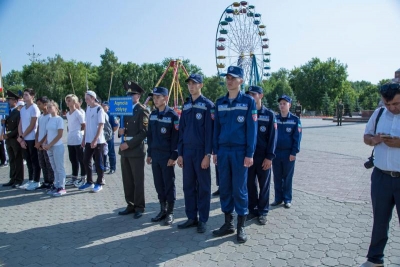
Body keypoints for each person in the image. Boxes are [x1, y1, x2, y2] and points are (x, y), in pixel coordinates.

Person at [212, 66, 257, 243]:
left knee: (239, 189)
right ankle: (228, 223)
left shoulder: (248, 102)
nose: (229, 80)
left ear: (241, 81)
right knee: (225, 188)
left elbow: (252, 131)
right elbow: (216, 129)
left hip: (240, 152)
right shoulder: (220, 102)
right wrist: (215, 150)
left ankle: (241, 227)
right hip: (223, 151)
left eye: (233, 78)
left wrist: (250, 153)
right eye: (227, 78)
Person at [361, 82, 400, 267]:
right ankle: (375, 259)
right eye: (388, 104)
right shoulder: (379, 114)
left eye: (396, 104)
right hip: (381, 177)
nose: (392, 108)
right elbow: (366, 137)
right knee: (380, 220)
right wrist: (374, 140)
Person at [177, 74, 214, 233]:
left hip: (200, 152)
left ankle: (203, 219)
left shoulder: (207, 105)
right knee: (188, 186)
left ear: (201, 86)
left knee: (204, 187)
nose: (191, 86)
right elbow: (182, 131)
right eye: (189, 84)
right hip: (187, 151)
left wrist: (207, 155)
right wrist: (180, 153)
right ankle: (191, 217)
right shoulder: (185, 106)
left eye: (194, 83)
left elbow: (209, 132)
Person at [146, 87, 179, 226]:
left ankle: (170, 212)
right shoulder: (152, 114)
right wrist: (149, 153)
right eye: (154, 97)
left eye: (158, 97)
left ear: (165, 98)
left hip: (167, 156)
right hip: (155, 155)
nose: (155, 99)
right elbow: (150, 136)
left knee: (168, 183)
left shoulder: (173, 115)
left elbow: (176, 138)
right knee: (158, 183)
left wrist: (174, 156)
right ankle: (162, 210)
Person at [118, 81, 150, 219]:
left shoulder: (142, 110)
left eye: (132, 94)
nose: (130, 96)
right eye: (128, 94)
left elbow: (144, 132)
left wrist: (129, 144)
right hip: (124, 149)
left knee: (138, 180)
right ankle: (130, 204)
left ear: (138, 95)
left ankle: (139, 206)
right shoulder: (124, 109)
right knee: (127, 179)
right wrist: (119, 132)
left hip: (135, 149)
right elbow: (122, 129)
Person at [245, 86, 277, 225]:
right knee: (250, 185)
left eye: (254, 94)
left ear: (261, 96)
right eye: (249, 94)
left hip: (263, 157)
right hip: (249, 157)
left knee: (264, 185)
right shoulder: (246, 113)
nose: (251, 96)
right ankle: (252, 210)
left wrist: (269, 157)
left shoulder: (269, 115)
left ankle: (263, 211)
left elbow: (273, 138)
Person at [271, 95, 302, 209]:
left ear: (290, 105)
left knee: (288, 177)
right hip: (276, 153)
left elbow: (297, 138)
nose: (282, 105)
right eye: (280, 104)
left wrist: (294, 152)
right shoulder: (275, 119)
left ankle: (287, 199)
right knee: (277, 176)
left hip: (289, 153)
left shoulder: (295, 120)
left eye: (284, 103)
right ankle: (278, 198)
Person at [79, 90, 106, 193]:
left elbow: (101, 125)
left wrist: (95, 139)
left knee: (98, 162)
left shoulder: (99, 109)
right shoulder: (88, 109)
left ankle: (99, 182)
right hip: (88, 140)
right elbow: (86, 125)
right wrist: (84, 138)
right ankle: (89, 181)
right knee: (86, 160)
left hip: (98, 141)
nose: (86, 101)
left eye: (87, 99)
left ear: (93, 98)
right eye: (85, 99)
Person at [17, 88, 41, 190]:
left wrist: (23, 136)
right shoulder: (22, 109)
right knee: (28, 160)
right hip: (24, 138)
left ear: (32, 96)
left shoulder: (34, 108)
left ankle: (37, 181)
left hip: (32, 137)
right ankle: (30, 180)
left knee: (34, 159)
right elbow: (20, 124)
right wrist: (20, 137)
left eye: (27, 95)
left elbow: (32, 125)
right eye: (24, 94)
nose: (24, 96)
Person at [42, 101, 66, 196]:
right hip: (50, 147)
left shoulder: (59, 119)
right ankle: (56, 185)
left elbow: (60, 135)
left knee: (59, 167)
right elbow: (48, 133)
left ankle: (62, 187)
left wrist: (50, 144)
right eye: (47, 107)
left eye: (50, 107)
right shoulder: (49, 119)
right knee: (54, 168)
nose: (48, 109)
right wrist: (45, 143)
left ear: (56, 108)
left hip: (57, 146)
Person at [2, 90, 24, 188]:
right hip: (8, 139)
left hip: (14, 138)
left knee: (17, 159)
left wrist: (9, 135)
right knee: (11, 159)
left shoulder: (18, 112)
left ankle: (19, 179)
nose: (8, 102)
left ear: (15, 101)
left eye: (9, 100)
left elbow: (18, 127)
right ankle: (12, 178)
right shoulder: (8, 112)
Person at [64, 94, 86, 186]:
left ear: (74, 102)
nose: (67, 102)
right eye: (67, 100)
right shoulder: (68, 114)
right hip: (70, 139)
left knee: (81, 159)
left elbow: (84, 125)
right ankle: (74, 177)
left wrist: (81, 135)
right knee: (72, 159)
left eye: (69, 100)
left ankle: (83, 177)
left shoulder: (78, 113)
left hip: (78, 138)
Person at [34, 96, 55, 190]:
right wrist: (36, 141)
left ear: (45, 104)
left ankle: (51, 181)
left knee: (49, 164)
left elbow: (48, 132)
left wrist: (41, 142)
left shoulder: (50, 117)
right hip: (39, 144)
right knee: (42, 163)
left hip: (46, 144)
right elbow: (38, 130)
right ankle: (46, 181)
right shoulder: (41, 117)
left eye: (39, 104)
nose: (38, 106)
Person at [101, 101, 119, 174]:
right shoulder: (100, 113)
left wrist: (110, 132)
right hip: (101, 136)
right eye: (102, 105)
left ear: (108, 107)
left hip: (109, 136)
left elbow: (115, 126)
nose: (103, 107)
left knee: (111, 152)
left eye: (104, 105)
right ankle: (104, 166)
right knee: (102, 152)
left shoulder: (111, 114)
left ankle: (112, 168)